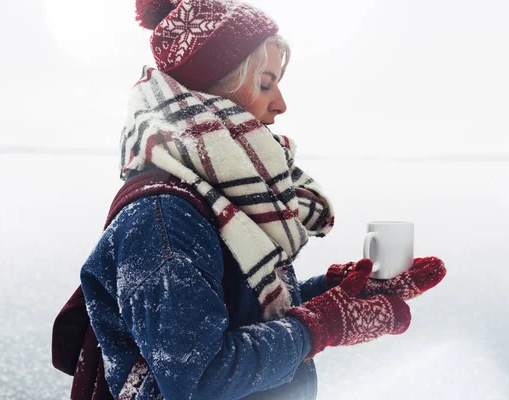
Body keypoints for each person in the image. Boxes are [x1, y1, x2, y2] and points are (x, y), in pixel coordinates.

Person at [78, 0, 447, 398]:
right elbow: (197, 381)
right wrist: (323, 325)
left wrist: (333, 291)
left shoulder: (223, 197)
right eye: (265, 83)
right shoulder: (163, 220)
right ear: (210, 93)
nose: (281, 104)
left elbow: (237, 311)